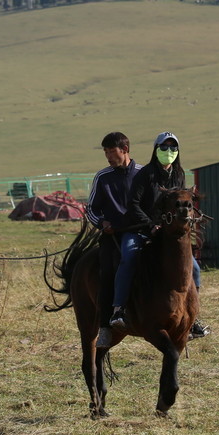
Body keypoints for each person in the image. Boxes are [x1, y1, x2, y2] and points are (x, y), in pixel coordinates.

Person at [112, 131, 210, 339]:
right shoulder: (145, 174)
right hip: (139, 229)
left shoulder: (179, 173)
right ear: (156, 150)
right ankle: (118, 310)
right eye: (164, 148)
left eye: (173, 148)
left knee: (194, 268)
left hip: (166, 232)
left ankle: (192, 318)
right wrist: (150, 226)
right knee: (128, 258)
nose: (168, 152)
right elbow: (133, 205)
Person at [85, 131, 142, 347]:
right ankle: (106, 325)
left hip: (144, 231)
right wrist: (102, 223)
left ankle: (190, 318)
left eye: (112, 151)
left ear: (125, 150)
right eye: (106, 152)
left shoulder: (144, 174)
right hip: (114, 235)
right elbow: (91, 209)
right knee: (108, 273)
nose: (108, 156)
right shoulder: (103, 177)